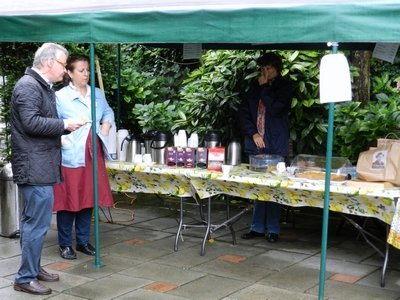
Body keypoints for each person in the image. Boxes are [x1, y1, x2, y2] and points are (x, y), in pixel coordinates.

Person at [11, 43, 84, 295]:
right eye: (64, 65)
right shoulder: (29, 86)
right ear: (50, 62)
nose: (65, 71)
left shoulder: (39, 86)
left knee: (36, 222)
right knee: (36, 224)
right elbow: (31, 123)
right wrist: (64, 124)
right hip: (34, 167)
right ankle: (25, 277)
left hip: (39, 165)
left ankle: (33, 268)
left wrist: (62, 129)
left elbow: (36, 122)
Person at [53, 54, 115, 260]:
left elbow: (108, 113)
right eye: (81, 70)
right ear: (69, 73)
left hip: (93, 151)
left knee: (89, 198)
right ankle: (64, 244)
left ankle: (82, 241)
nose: (86, 74)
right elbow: (51, 123)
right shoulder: (60, 97)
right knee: (68, 199)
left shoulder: (96, 93)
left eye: (87, 70)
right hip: (71, 152)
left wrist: (105, 128)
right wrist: (62, 140)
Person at [239, 52, 293, 243]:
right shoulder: (254, 87)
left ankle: (273, 229)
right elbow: (244, 113)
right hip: (256, 144)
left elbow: (276, 109)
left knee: (273, 186)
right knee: (258, 186)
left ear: (277, 69)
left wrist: (264, 89)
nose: (264, 72)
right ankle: (256, 227)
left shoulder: (284, 87)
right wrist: (253, 133)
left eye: (268, 68)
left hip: (275, 143)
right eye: (262, 69)